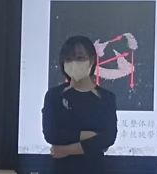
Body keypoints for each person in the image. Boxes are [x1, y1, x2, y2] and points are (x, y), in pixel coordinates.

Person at [42, 35, 118, 174]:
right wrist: (89, 135)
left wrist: (66, 149)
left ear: (92, 60)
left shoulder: (106, 97)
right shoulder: (54, 95)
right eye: (68, 59)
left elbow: (108, 138)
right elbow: (51, 134)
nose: (74, 63)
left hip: (95, 169)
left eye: (80, 58)